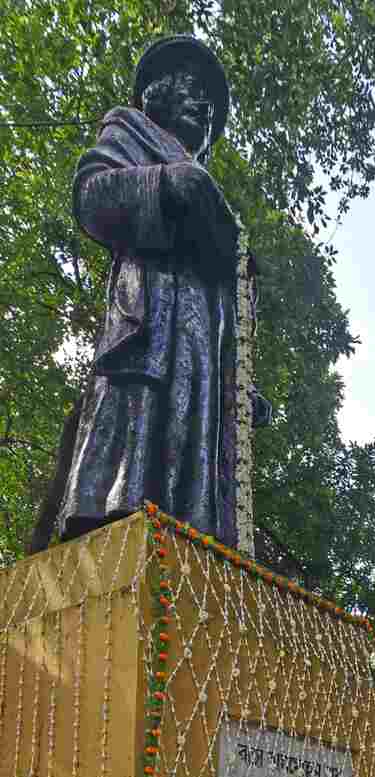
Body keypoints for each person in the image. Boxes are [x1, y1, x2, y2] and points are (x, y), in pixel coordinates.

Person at [58, 34, 269, 548]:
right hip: (149, 321)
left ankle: (190, 543)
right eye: (193, 89)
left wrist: (240, 392)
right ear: (158, 89)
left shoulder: (215, 198)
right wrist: (167, 184)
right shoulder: (129, 131)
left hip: (202, 357)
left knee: (194, 468)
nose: (203, 106)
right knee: (135, 443)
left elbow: (230, 322)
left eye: (213, 109)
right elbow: (91, 196)